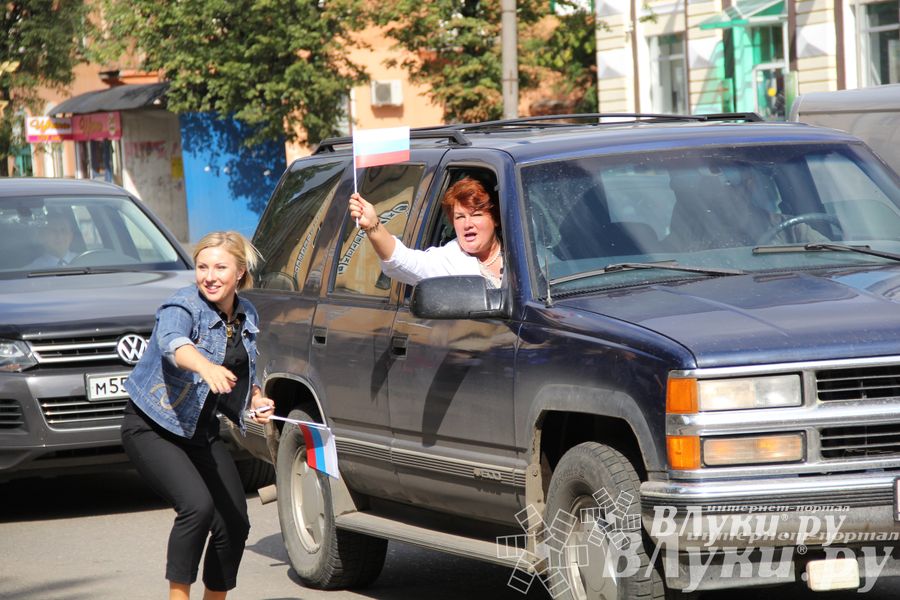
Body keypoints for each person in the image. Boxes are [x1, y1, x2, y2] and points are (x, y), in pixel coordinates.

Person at [121, 231, 275, 600]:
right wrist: (205, 367)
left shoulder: (246, 313)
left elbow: (244, 368)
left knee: (234, 522)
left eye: (220, 267)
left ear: (239, 272)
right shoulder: (183, 305)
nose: (209, 276)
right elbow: (174, 344)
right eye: (202, 267)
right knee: (197, 507)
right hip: (153, 427)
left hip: (200, 432)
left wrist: (255, 398)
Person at [348, 177, 504, 287]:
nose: (467, 224)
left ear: (495, 219)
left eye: (476, 215)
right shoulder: (448, 260)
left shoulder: (522, 247)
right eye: (460, 217)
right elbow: (403, 261)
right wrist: (373, 226)